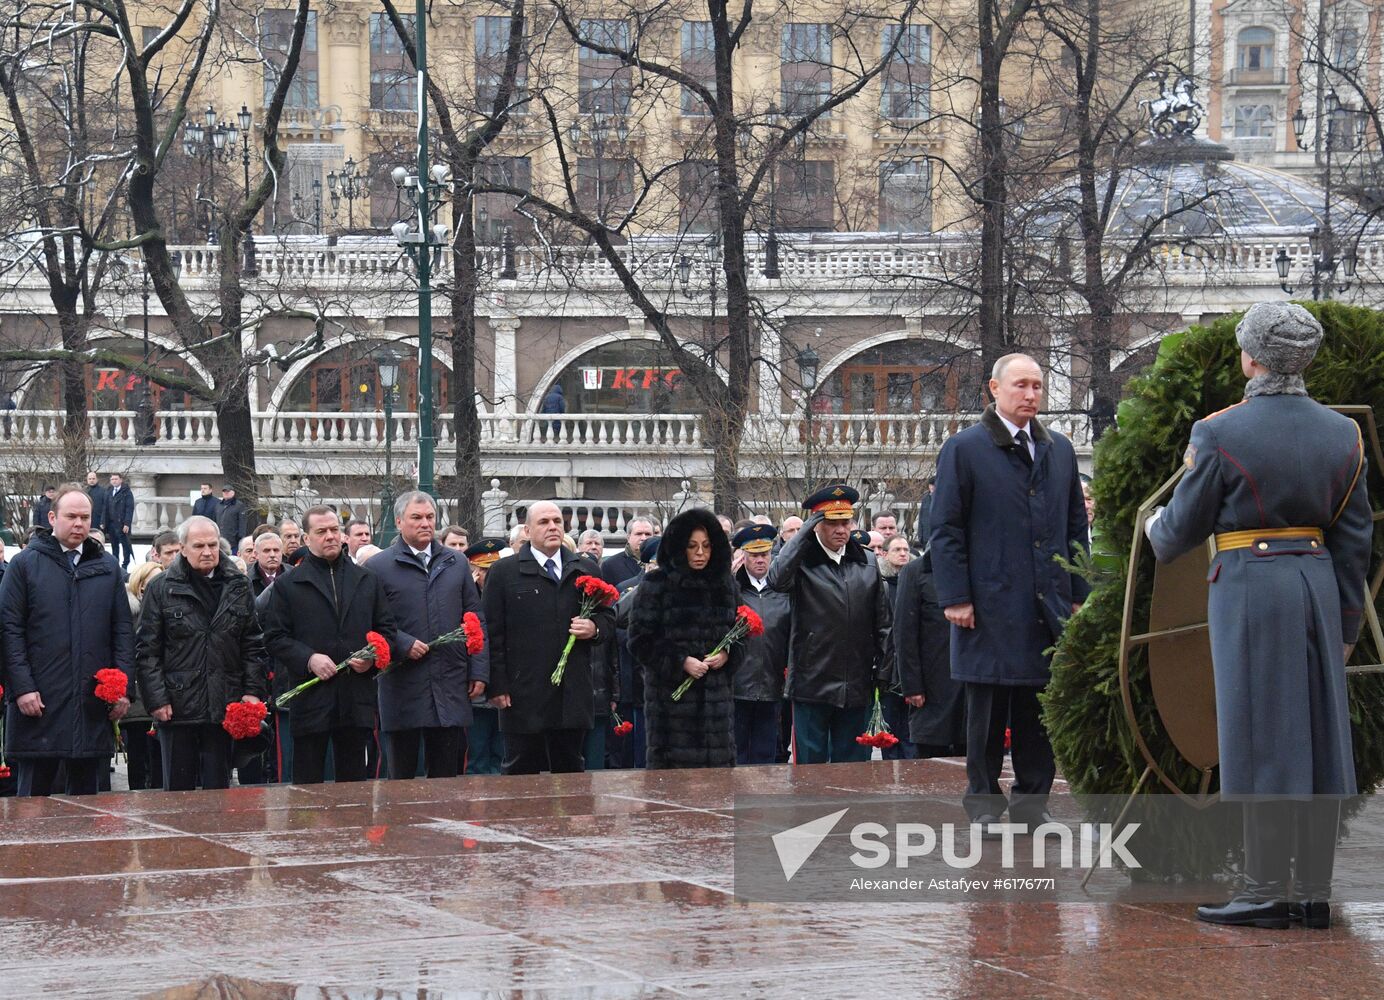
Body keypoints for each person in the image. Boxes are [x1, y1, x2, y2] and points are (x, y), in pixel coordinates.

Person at [1147, 302, 1372, 929]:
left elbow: (1178, 530)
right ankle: (1313, 893)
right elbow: (1355, 541)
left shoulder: (1221, 431)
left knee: (1257, 731)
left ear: (1251, 357)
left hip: (1250, 587)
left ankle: (1266, 889)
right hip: (1320, 586)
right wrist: (1347, 623)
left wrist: (1152, 523)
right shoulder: (1342, 434)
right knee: (1322, 736)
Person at [930, 353, 1090, 831]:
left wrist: (1077, 590)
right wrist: (955, 596)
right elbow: (946, 529)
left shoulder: (1058, 449)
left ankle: (1031, 804)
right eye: (1021, 385)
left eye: (1037, 386)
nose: (1031, 395)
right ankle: (983, 803)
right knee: (986, 710)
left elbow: (1075, 526)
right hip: (989, 603)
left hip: (1046, 605)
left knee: (1038, 712)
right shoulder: (965, 448)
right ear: (994, 389)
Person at [0, 484, 133, 795]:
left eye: (85, 517)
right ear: (51, 517)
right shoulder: (25, 565)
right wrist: (22, 688)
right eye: (71, 516)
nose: (79, 524)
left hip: (91, 705)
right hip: (39, 706)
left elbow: (122, 632)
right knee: (34, 808)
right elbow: (9, 630)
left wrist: (123, 688)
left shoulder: (107, 567)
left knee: (90, 811)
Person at [262, 504, 398, 784]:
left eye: (335, 530)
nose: (330, 536)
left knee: (353, 787)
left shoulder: (367, 580)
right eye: (321, 531)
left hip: (355, 699)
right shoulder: (289, 584)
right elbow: (275, 637)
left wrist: (371, 658)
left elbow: (386, 629)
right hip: (311, 700)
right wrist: (309, 658)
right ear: (306, 538)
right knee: (308, 789)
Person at [135, 516, 268, 791]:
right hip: (177, 705)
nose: (207, 552)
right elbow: (148, 650)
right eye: (198, 546)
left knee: (218, 788)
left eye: (212, 545)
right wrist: (157, 699)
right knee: (179, 790)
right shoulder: (162, 588)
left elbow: (252, 643)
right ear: (182, 548)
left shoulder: (238, 585)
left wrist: (253, 692)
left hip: (224, 702)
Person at [482, 501, 614, 775]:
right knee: (522, 776)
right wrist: (496, 684)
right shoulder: (504, 572)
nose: (553, 526)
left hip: (572, 693)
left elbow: (609, 618)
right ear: (528, 531)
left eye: (557, 521)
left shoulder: (585, 569)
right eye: (544, 522)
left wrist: (595, 628)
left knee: (571, 776)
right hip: (523, 694)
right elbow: (492, 633)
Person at [768, 484, 892, 763]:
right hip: (812, 685)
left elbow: (883, 623)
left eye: (845, 522)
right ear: (817, 525)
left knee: (852, 773)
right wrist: (802, 534)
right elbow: (776, 580)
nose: (841, 530)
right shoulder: (802, 562)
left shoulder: (867, 561)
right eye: (832, 522)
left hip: (857, 684)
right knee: (810, 774)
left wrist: (884, 670)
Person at [369, 492, 489, 780]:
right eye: (417, 518)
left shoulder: (455, 562)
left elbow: (475, 618)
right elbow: (369, 622)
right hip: (403, 684)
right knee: (401, 780)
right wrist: (401, 643)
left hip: (450, 683)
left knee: (446, 780)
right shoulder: (378, 567)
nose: (425, 523)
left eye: (430, 517)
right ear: (399, 521)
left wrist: (479, 670)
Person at [627, 508, 739, 769]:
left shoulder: (726, 585)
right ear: (679, 547)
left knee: (718, 787)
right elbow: (639, 639)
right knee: (673, 786)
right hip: (671, 707)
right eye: (692, 546)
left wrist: (727, 654)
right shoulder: (657, 583)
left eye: (706, 546)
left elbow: (741, 632)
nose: (700, 553)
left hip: (716, 706)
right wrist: (680, 661)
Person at [893, 548, 965, 758]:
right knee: (933, 757)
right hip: (933, 687)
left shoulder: (977, 568)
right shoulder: (915, 572)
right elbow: (905, 633)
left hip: (970, 684)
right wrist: (912, 685)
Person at [730, 524, 791, 766]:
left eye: (764, 554)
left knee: (766, 753)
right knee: (737, 752)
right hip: (738, 684)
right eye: (754, 555)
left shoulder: (784, 591)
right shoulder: (734, 591)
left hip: (772, 683)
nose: (759, 560)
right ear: (743, 556)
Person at [463, 539, 507, 775]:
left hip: (504, 690)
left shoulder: (505, 595)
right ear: (475, 572)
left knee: (501, 756)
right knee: (477, 755)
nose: (490, 576)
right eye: (485, 571)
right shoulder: (467, 601)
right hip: (476, 693)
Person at [123, 560, 166, 790]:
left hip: (159, 694)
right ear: (140, 585)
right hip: (138, 698)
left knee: (159, 756)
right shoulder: (130, 615)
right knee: (138, 755)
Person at [877, 534, 917, 760]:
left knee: (911, 730)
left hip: (910, 663)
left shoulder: (915, 581)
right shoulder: (881, 584)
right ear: (884, 553)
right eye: (897, 550)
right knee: (890, 727)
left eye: (905, 549)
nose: (903, 554)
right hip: (887, 665)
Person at [602, 517, 655, 586]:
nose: (643, 538)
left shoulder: (663, 563)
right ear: (628, 537)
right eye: (639, 534)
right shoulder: (610, 565)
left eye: (648, 534)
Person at [106, 473, 135, 569]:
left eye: (116, 479)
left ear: (120, 480)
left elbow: (129, 509)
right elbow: (105, 508)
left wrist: (127, 523)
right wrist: (103, 521)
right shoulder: (109, 491)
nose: (114, 481)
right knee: (114, 546)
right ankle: (115, 564)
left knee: (125, 546)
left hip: (122, 524)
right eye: (112, 479)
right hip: (111, 523)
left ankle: (125, 565)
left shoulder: (127, 492)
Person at [247, 532, 284, 597]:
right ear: (256, 554)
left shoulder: (293, 574)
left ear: (282, 552)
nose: (272, 555)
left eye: (276, 550)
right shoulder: (246, 578)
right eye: (267, 551)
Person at [214, 486, 248, 551]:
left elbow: (242, 523)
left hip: (233, 542)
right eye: (224, 491)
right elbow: (215, 521)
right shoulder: (218, 505)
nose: (226, 493)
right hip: (220, 541)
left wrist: (240, 538)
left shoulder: (239, 505)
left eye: (228, 491)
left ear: (233, 492)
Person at [85, 472, 109, 537]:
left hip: (98, 522)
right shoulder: (84, 491)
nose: (91, 480)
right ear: (87, 480)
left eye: (93, 478)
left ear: (97, 479)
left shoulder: (103, 491)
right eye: (90, 479)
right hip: (85, 521)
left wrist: (103, 521)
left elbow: (105, 507)